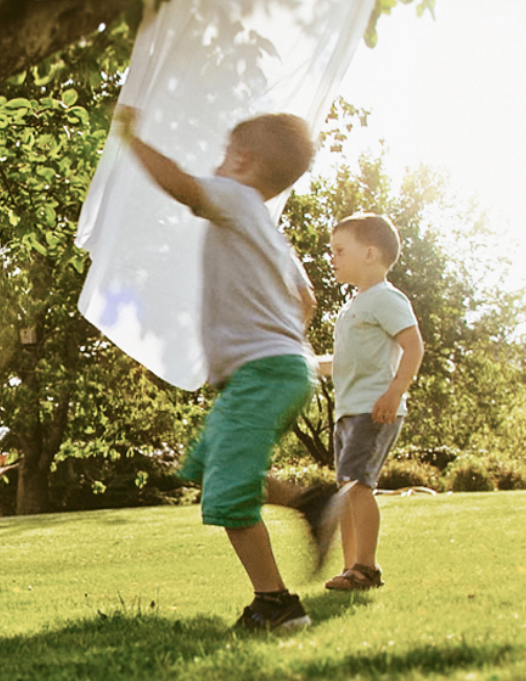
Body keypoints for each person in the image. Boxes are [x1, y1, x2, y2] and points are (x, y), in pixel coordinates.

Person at [114, 104, 332, 632]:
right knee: (217, 470)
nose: (215, 165)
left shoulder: (235, 197)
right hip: (282, 370)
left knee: (228, 494)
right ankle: (312, 503)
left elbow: (186, 189)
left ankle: (275, 605)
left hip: (261, 372)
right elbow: (307, 300)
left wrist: (130, 137)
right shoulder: (271, 233)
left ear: (241, 158)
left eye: (222, 154)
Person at [318, 214, 423, 591]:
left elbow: (414, 346)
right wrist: (304, 364)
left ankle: (367, 567)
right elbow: (342, 363)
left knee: (357, 486)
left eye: (339, 250)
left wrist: (395, 392)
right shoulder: (353, 307)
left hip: (373, 408)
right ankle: (351, 569)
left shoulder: (386, 298)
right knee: (347, 489)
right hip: (349, 412)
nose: (332, 258)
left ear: (370, 253)